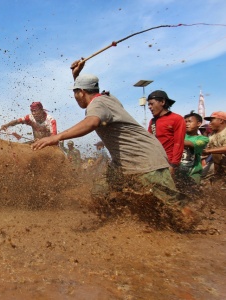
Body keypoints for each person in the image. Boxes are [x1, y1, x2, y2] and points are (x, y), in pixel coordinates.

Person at [31, 59, 195, 230]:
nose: (75, 98)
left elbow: (92, 122)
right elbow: (88, 92)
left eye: (75, 93)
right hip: (122, 163)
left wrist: (56, 137)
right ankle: (118, 224)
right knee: (99, 192)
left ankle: (194, 229)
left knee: (173, 203)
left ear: (80, 92)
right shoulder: (108, 99)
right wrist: (77, 76)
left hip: (145, 159)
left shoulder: (98, 104)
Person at [147, 90, 186, 175]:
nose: (149, 107)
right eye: (148, 104)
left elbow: (178, 143)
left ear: (162, 102)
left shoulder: (177, 119)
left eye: (151, 104)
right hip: (155, 163)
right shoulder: (152, 121)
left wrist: (173, 164)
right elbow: (149, 142)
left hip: (169, 163)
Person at [177, 111, 209, 185]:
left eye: (190, 121)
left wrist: (173, 139)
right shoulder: (180, 135)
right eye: (185, 122)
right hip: (177, 172)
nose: (187, 124)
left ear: (198, 124)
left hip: (193, 173)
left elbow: (190, 144)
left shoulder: (203, 139)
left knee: (191, 192)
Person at [203, 111, 226, 183]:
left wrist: (208, 151)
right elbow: (209, 150)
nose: (209, 123)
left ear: (221, 120)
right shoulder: (212, 135)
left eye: (211, 120)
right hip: (220, 167)